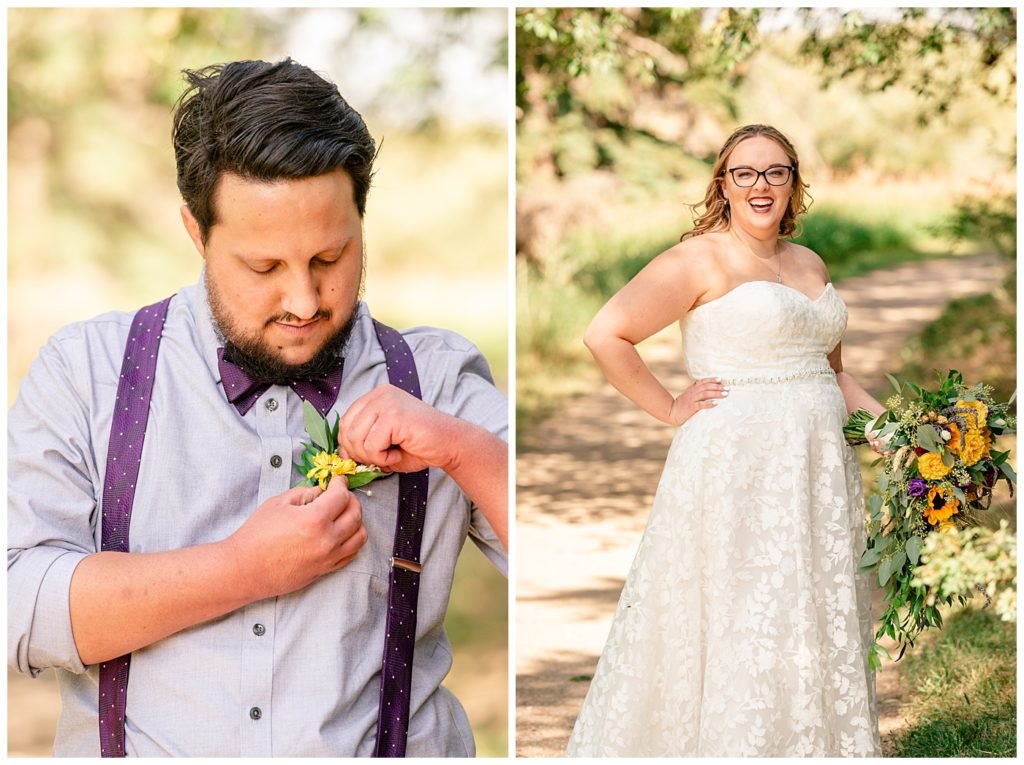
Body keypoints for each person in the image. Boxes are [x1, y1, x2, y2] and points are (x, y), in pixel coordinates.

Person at [7, 58, 507, 757]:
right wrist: (242, 567)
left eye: (331, 258)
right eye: (264, 268)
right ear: (196, 231)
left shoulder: (437, 378)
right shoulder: (85, 373)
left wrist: (464, 449)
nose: (304, 301)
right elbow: (17, 610)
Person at [567, 124, 885, 756]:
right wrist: (668, 406)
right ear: (724, 183)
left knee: (809, 609)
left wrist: (901, 436)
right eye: (745, 173)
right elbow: (606, 334)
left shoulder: (810, 263)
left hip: (815, 469)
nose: (760, 186)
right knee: (743, 608)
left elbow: (835, 372)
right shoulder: (698, 259)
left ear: (794, 181)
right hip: (736, 465)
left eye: (775, 172)